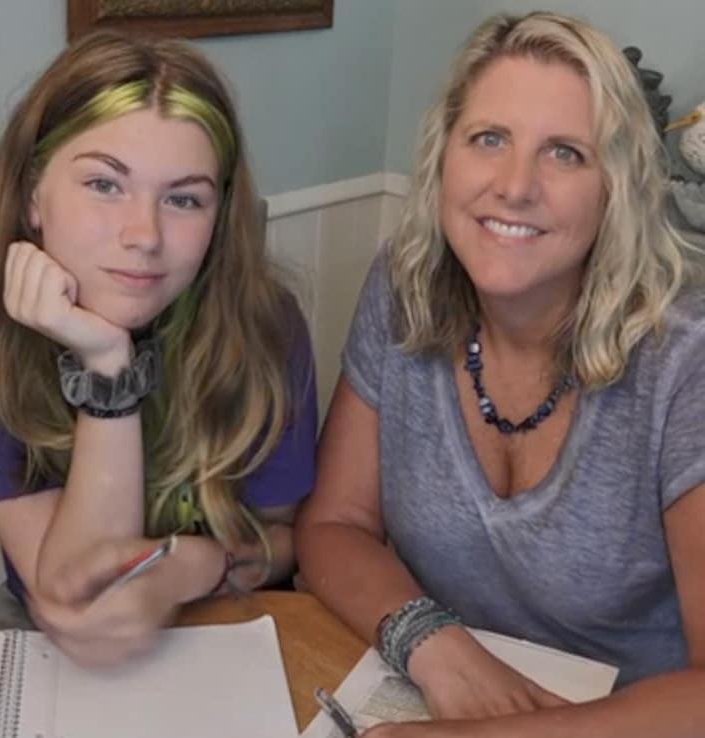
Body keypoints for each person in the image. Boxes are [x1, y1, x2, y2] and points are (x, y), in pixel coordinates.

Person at [296, 10, 705, 737]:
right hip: (433, 693)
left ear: (616, 187)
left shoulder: (686, 354)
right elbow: (334, 524)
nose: (515, 186)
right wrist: (434, 645)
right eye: (490, 139)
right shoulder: (404, 282)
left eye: (566, 154)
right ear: (443, 155)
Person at [0, 30, 317, 666]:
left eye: (183, 198)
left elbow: (285, 541)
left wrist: (191, 568)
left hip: (228, 613)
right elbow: (82, 599)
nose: (144, 234)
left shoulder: (267, 327)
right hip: (49, 641)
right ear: (32, 196)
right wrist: (106, 368)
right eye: (104, 184)